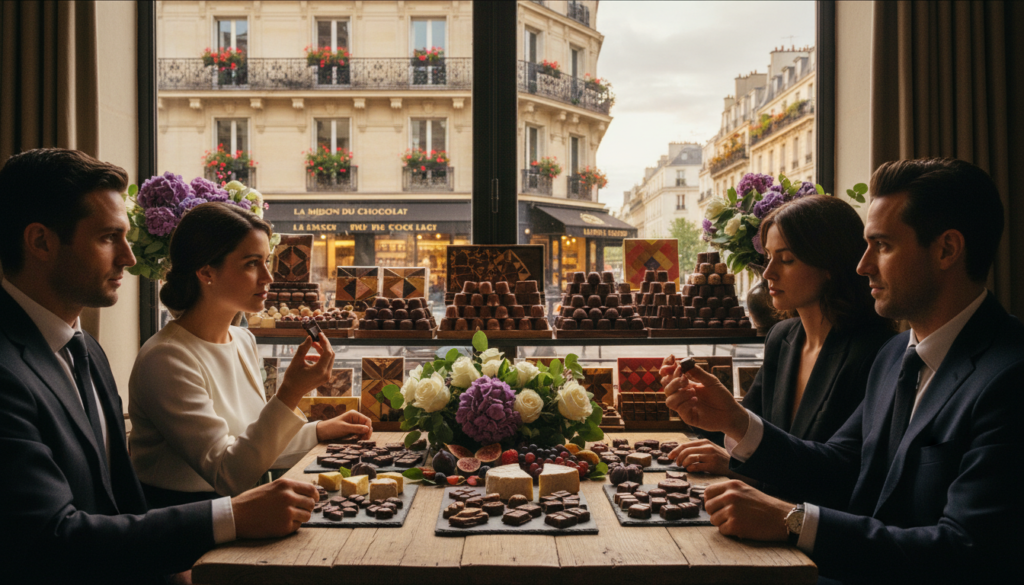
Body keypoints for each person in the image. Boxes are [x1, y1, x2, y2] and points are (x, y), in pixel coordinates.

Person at [661, 158, 1021, 584]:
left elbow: (966, 553)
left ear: (946, 250)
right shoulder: (894, 355)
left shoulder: (1009, 377)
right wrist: (735, 419)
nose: (862, 265)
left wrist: (792, 521)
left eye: (882, 246)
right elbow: (839, 467)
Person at [0, 148, 320, 585]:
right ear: (41, 242)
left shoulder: (85, 349)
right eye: (108, 238)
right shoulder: (9, 372)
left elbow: (122, 501)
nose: (129, 258)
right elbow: (50, 540)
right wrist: (230, 518)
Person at [128, 202, 372, 507]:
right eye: (251, 263)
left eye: (266, 262)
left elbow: (251, 446)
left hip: (245, 507)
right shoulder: (166, 358)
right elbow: (229, 473)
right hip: (189, 519)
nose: (268, 276)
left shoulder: (243, 339)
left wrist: (319, 431)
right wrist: (290, 392)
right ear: (206, 272)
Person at [671, 196, 895, 496]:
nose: (768, 273)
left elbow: (841, 476)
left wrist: (735, 441)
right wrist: (701, 409)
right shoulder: (782, 337)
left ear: (830, 264)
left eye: (786, 259)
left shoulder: (877, 352)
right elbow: (754, 432)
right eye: (768, 257)